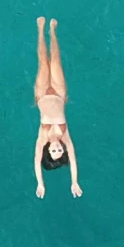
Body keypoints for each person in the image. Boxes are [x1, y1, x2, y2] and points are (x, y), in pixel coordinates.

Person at [34, 17, 81, 198]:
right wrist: (74, 182)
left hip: (42, 94)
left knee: (42, 61)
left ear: (48, 150)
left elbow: (37, 161)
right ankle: (52, 31)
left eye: (53, 151)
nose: (57, 148)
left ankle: (40, 29)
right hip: (59, 94)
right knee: (55, 60)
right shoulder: (65, 136)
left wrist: (40, 183)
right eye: (59, 150)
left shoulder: (43, 138)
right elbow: (74, 160)